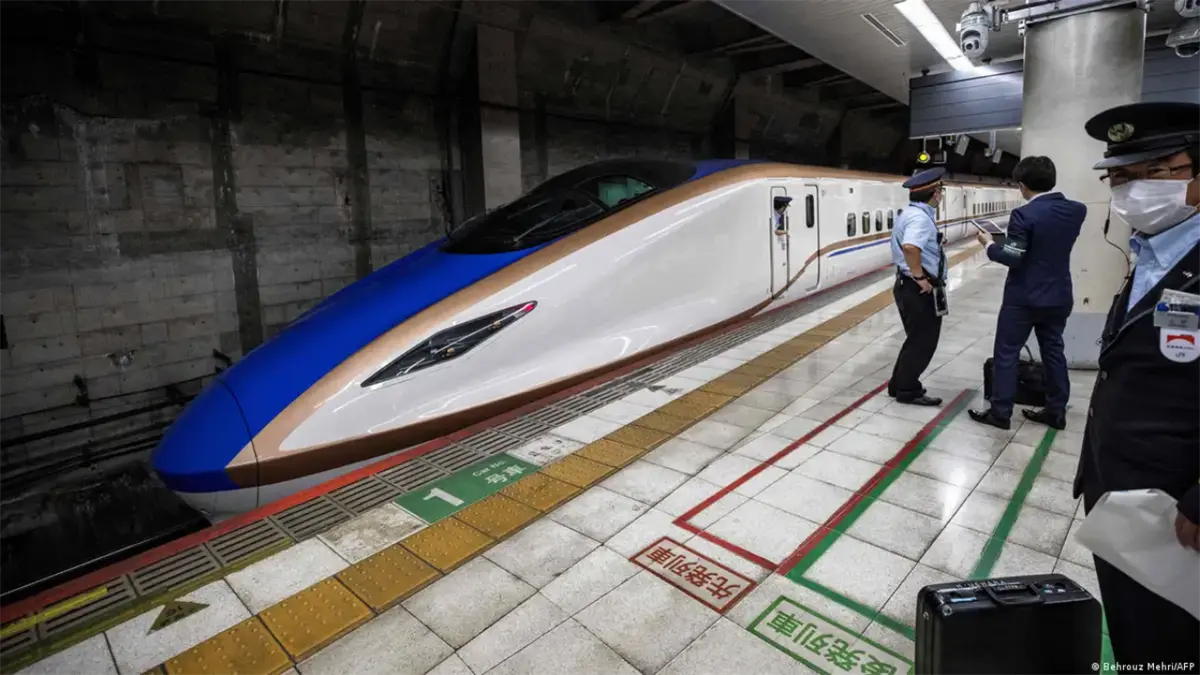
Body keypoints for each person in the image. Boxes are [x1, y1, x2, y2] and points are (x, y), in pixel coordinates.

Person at [1073, 101, 1200, 666]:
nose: (1132, 190)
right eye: (1121, 177)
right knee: (1135, 633)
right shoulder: (1150, 251)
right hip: (1119, 497)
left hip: (1179, 517)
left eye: (1154, 172)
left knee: (1172, 644)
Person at [969, 156, 1086, 430]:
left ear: (1022, 186)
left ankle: (1000, 413)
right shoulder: (1077, 210)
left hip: (1023, 299)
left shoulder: (1024, 214)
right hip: (1059, 294)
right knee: (1054, 351)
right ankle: (1056, 411)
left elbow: (1013, 257)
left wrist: (989, 245)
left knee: (1007, 353)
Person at [888, 167, 948, 407]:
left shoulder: (911, 213)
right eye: (941, 190)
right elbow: (911, 248)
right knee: (923, 342)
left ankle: (898, 384)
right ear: (934, 194)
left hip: (907, 286)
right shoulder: (920, 218)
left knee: (915, 339)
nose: (941, 195)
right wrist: (920, 277)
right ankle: (907, 390)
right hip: (918, 289)